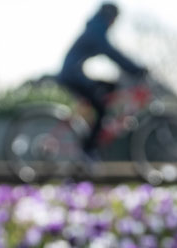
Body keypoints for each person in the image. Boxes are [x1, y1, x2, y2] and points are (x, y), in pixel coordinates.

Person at [57, 3, 146, 161]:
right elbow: (111, 53)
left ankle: (93, 131)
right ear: (110, 17)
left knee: (111, 87)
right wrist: (135, 69)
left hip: (75, 74)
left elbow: (112, 53)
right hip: (72, 76)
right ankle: (88, 150)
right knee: (100, 107)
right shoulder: (96, 31)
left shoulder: (96, 27)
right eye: (115, 19)